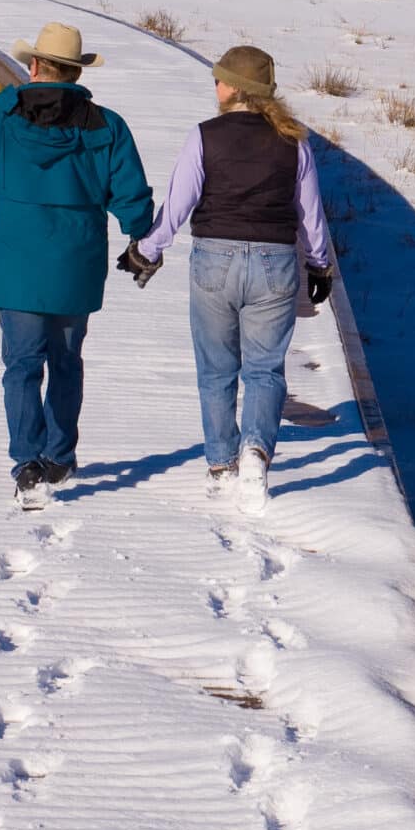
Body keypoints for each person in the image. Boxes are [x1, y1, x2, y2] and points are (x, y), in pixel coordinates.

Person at [0, 22, 154, 510]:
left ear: (34, 66)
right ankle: (59, 455)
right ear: (76, 72)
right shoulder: (107, 126)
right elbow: (133, 201)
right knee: (66, 362)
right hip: (76, 264)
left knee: (20, 365)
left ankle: (26, 463)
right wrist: (139, 238)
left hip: (17, 265)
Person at [126, 46, 332, 515]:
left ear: (235, 89)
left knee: (216, 370)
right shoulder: (293, 142)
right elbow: (311, 214)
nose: (214, 86)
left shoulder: (204, 137)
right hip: (275, 262)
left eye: (219, 79)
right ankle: (256, 454)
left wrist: (147, 250)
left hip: (214, 260)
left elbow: (178, 203)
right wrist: (319, 264)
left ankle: (222, 467)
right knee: (265, 369)